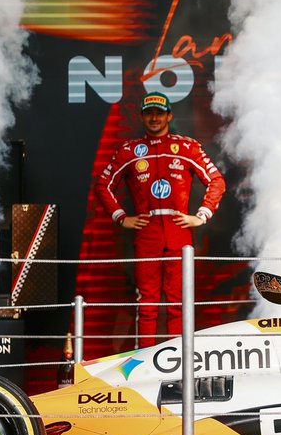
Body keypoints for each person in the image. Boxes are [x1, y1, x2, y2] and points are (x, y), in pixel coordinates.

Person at [96, 92, 226, 347]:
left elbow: (216, 181)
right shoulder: (130, 150)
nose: (154, 118)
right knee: (147, 302)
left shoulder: (187, 146)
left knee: (179, 301)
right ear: (142, 116)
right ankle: (145, 360)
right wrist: (121, 218)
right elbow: (103, 184)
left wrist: (202, 215)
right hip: (147, 232)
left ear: (169, 115)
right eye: (149, 112)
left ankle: (178, 361)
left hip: (178, 230)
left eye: (159, 112)